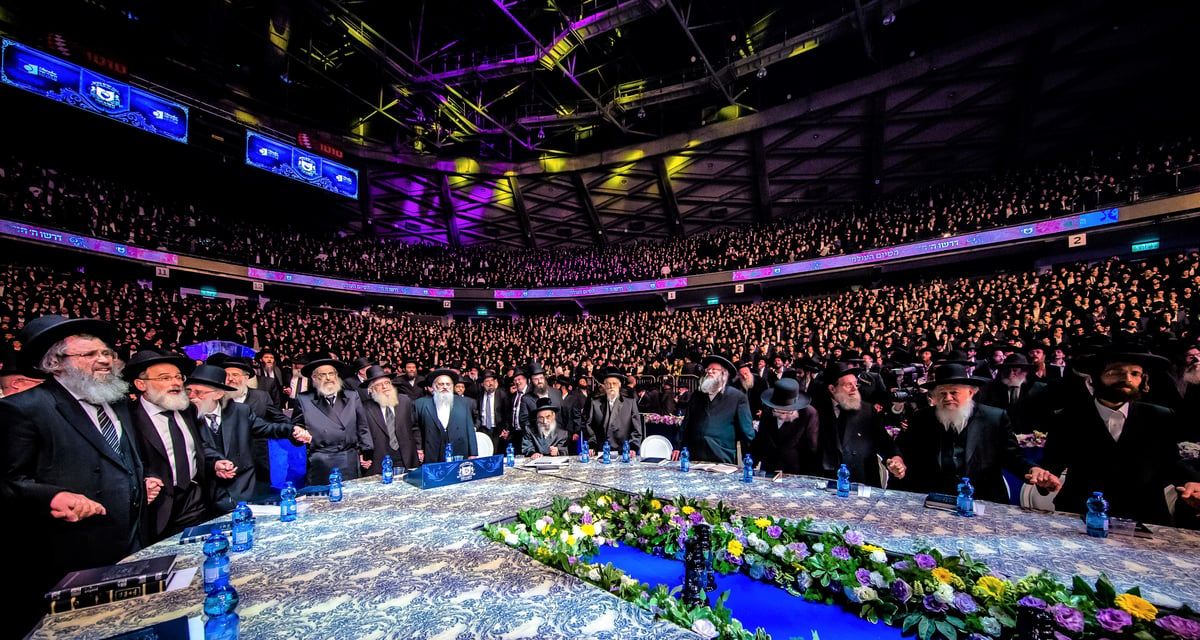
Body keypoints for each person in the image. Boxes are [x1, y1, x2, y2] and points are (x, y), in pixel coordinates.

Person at [0, 316, 148, 636]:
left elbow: (123, 459)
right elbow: (9, 481)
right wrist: (53, 496)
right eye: (89, 355)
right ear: (54, 363)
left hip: (130, 541)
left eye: (106, 353)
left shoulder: (118, 401)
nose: (104, 360)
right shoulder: (24, 408)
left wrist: (141, 479)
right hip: (72, 551)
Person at [1033, 346, 1200, 525]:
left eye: (1135, 373)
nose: (1127, 379)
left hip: (1145, 518)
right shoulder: (1068, 418)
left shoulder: (1160, 417)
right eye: (1116, 372)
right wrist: (1045, 479)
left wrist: (1192, 482)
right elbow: (1051, 466)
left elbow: (1172, 463)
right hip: (1081, 518)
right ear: (1096, 377)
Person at [896, 363, 1047, 503]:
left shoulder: (994, 418)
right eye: (942, 394)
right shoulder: (921, 418)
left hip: (982, 499)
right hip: (933, 499)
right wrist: (897, 461)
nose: (948, 398)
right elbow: (902, 450)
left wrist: (1032, 469)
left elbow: (1012, 457)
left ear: (970, 392)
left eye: (954, 392)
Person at [187, 364, 310, 511]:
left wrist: (293, 430)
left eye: (199, 392)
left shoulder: (240, 412)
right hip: (206, 496)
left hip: (243, 490)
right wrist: (215, 463)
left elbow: (268, 428)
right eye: (188, 391)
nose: (191, 397)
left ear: (218, 394)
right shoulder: (185, 417)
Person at [126, 349, 210, 543]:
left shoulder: (187, 409)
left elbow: (198, 447)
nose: (176, 383)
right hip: (154, 508)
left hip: (194, 500)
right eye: (165, 378)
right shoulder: (127, 418)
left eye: (178, 377)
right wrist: (142, 481)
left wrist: (216, 462)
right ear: (140, 384)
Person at [815, 362, 905, 488]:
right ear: (832, 388)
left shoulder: (867, 411)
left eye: (855, 384)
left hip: (861, 481)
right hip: (824, 483)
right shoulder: (816, 410)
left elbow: (885, 443)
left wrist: (896, 459)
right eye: (848, 385)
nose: (854, 389)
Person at [291, 355, 373, 486]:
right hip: (320, 461)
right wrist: (297, 433)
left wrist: (367, 451)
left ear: (337, 376)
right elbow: (296, 427)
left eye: (331, 374)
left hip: (349, 458)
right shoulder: (303, 399)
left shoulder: (352, 396)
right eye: (323, 375)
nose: (328, 378)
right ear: (314, 378)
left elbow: (362, 426)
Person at [676, 355, 754, 464]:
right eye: (708, 369)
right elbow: (686, 424)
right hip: (695, 456)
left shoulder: (737, 397)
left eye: (714, 370)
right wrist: (678, 446)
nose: (709, 372)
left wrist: (750, 460)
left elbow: (747, 432)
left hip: (722, 457)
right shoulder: (697, 395)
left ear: (725, 375)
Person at [752, 378, 820, 475]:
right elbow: (760, 440)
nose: (782, 415)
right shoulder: (768, 411)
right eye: (778, 410)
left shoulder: (808, 414)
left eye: (787, 411)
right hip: (769, 470)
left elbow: (812, 449)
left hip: (795, 474)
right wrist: (750, 465)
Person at [361, 365, 422, 470]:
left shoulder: (405, 401)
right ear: (371, 389)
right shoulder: (365, 408)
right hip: (379, 460)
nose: (385, 387)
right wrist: (362, 455)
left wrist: (419, 448)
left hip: (406, 457)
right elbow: (361, 433)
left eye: (387, 382)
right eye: (379, 385)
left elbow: (414, 427)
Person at [415, 369, 479, 462]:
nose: (445, 387)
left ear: (452, 386)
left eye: (448, 384)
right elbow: (416, 429)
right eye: (441, 384)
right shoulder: (420, 404)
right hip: (432, 450)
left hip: (458, 449)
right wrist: (419, 449)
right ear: (434, 386)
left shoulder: (464, 403)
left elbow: (469, 428)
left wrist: (473, 453)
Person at [977, 353, 1050, 433]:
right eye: (1007, 370)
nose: (1011, 374)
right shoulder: (991, 389)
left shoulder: (1037, 389)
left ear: (1025, 371)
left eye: (1015, 370)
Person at [584, 368, 644, 454]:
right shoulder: (595, 403)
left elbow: (636, 429)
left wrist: (633, 447)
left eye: (614, 383)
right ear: (604, 386)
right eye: (608, 384)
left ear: (619, 385)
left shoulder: (630, 403)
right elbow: (589, 426)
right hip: (601, 451)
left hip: (623, 451)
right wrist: (592, 444)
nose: (611, 386)